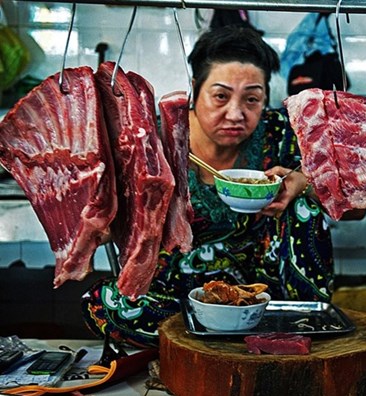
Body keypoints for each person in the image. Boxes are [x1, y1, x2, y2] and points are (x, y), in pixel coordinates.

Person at [81, 25, 333, 348]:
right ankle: (239, 341)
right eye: (221, 96)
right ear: (195, 91)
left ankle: (293, 324)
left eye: (252, 99)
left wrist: (302, 183)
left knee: (305, 207)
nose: (236, 113)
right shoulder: (156, 140)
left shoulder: (280, 133)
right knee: (105, 305)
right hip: (176, 297)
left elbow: (344, 195)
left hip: (262, 298)